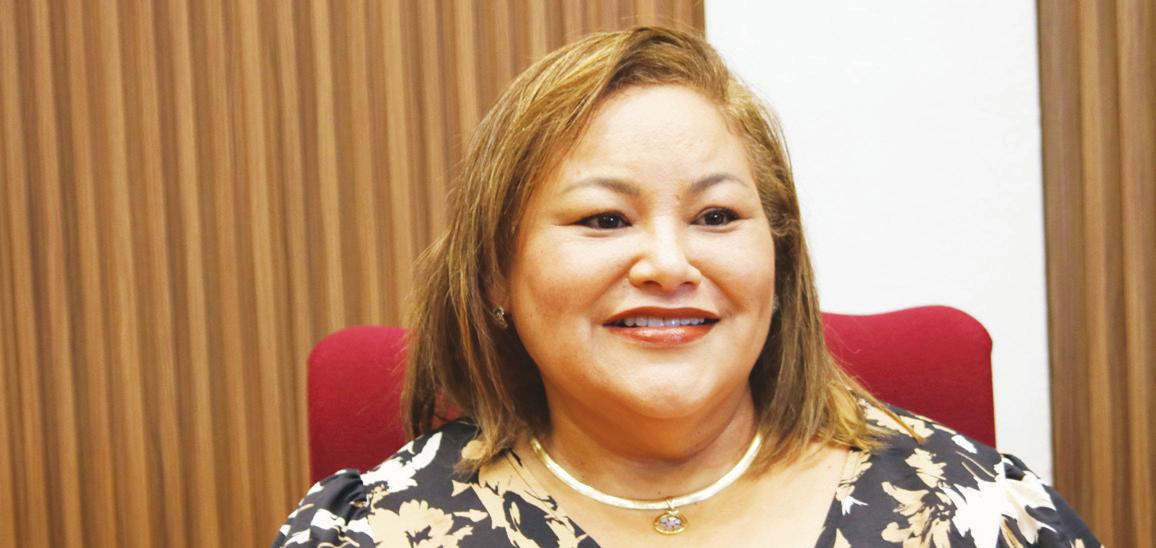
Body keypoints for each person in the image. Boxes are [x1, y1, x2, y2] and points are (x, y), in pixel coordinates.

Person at [274, 27, 1099, 547]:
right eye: (604, 220)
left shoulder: (973, 513)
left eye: (715, 216)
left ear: (778, 259)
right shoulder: (371, 533)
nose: (669, 265)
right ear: (497, 270)